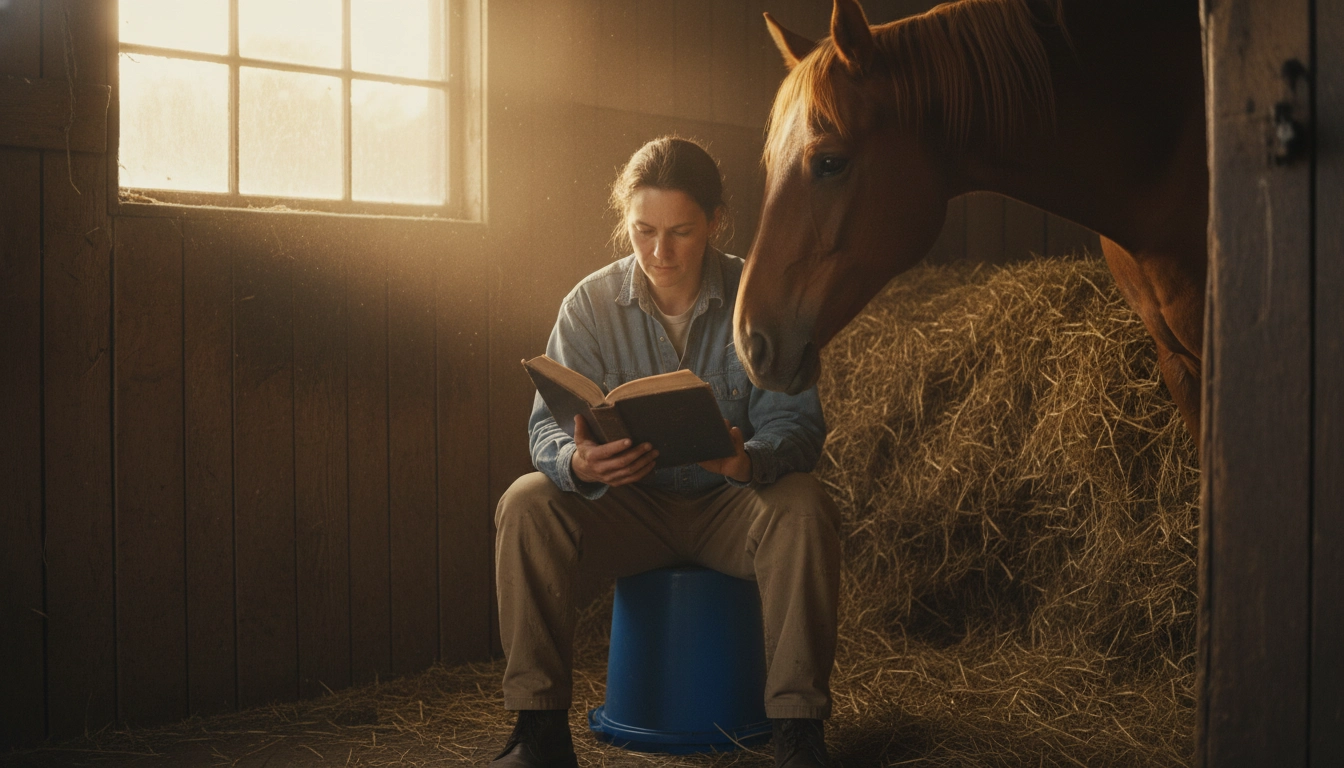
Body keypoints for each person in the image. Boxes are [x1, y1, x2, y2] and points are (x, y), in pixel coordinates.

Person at [491, 137, 841, 768]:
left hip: (732, 508)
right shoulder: (590, 306)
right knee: (526, 501)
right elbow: (546, 428)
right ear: (625, 221)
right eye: (642, 230)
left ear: (715, 222)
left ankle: (797, 733)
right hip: (628, 509)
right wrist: (578, 464)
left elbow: (798, 423)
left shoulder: (754, 293)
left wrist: (749, 459)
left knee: (804, 505)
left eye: (680, 231)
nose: (659, 252)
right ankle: (538, 729)